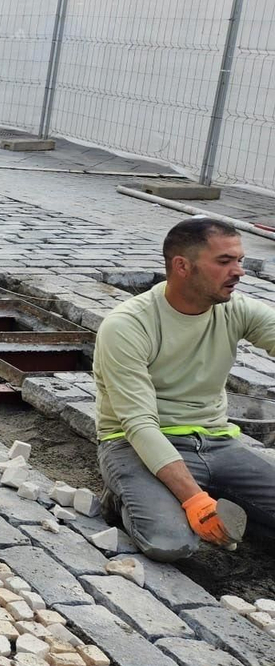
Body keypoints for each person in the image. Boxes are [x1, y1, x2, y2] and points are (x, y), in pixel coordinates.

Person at [94, 217, 275, 560]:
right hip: (136, 445)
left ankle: (232, 506)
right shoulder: (128, 326)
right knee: (171, 543)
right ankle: (122, 498)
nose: (239, 271)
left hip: (218, 444)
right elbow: (139, 424)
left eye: (238, 260)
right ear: (182, 266)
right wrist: (194, 500)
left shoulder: (236, 310)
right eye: (224, 261)